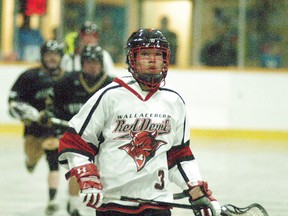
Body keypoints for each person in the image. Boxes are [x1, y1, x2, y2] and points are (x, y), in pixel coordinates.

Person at [58, 28, 221, 216]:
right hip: (113, 204)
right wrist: (87, 177)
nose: (153, 60)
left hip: (158, 203)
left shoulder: (174, 101)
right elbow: (75, 143)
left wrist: (197, 192)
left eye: (158, 54)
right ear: (132, 58)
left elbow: (178, 155)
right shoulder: (110, 96)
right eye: (145, 54)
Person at [52, 45, 114, 216]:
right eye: (88, 62)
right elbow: (54, 104)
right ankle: (73, 204)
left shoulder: (111, 85)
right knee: (78, 166)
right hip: (77, 136)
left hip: (104, 138)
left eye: (95, 62)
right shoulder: (67, 81)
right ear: (82, 63)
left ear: (102, 64)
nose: (92, 66)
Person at [8, 40, 65, 215]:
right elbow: (13, 102)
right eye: (49, 54)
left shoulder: (67, 78)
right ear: (42, 56)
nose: (52, 58)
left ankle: (53, 199)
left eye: (55, 54)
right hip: (33, 130)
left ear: (61, 57)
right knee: (32, 158)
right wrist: (30, 114)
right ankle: (30, 162)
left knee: (53, 161)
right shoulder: (29, 76)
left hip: (54, 129)